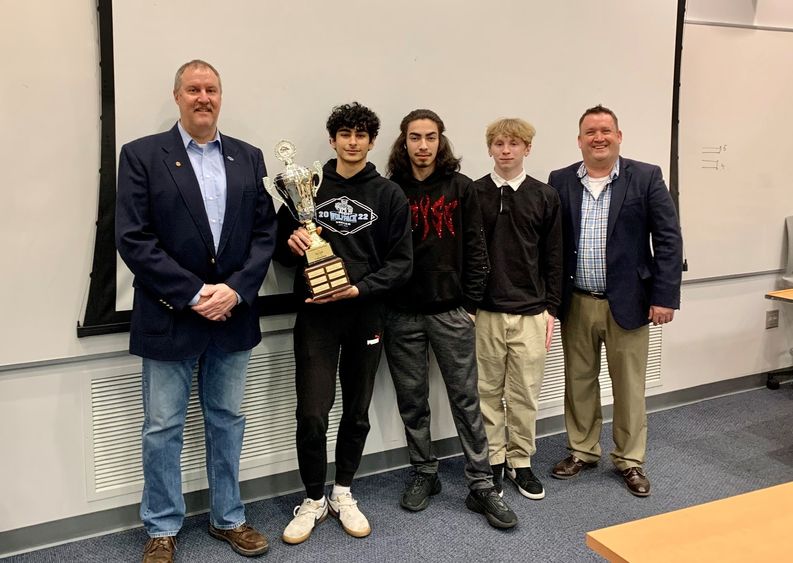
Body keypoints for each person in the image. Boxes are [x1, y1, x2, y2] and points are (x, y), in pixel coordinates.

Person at [115, 60, 276, 562]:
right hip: (168, 314)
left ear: (220, 96)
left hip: (233, 315)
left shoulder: (249, 158)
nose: (202, 97)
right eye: (193, 89)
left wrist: (234, 290)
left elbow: (264, 233)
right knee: (162, 428)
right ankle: (162, 527)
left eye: (211, 89)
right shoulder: (142, 156)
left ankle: (229, 518)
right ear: (177, 96)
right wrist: (195, 293)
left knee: (227, 419)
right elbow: (133, 237)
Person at [274, 102, 413, 545]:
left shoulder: (389, 194)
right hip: (316, 317)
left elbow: (401, 263)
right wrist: (292, 241)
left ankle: (343, 492)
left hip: (365, 314)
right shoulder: (304, 189)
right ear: (332, 139)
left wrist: (359, 289)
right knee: (313, 413)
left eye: (361, 135)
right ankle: (313, 498)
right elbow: (276, 252)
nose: (353, 142)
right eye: (345, 134)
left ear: (372, 142)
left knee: (356, 412)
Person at [383, 109, 518, 529]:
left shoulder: (461, 188)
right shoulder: (389, 190)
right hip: (401, 314)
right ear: (403, 143)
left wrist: (470, 305)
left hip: (451, 313)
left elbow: (478, 250)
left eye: (430, 137)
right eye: (414, 137)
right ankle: (425, 472)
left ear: (441, 141)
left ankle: (481, 485)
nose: (423, 145)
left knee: (466, 400)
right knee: (413, 402)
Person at [547, 105, 683, 497]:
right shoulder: (561, 180)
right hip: (577, 301)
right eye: (590, 132)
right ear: (579, 140)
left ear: (619, 136)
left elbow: (669, 240)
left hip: (630, 302)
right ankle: (583, 450)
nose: (598, 138)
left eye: (606, 130)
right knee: (579, 382)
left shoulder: (646, 176)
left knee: (628, 385)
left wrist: (664, 296)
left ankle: (629, 460)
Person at [474, 118, 562, 502]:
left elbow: (555, 257)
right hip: (485, 313)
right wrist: (470, 306)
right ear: (490, 148)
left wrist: (552, 310)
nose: (506, 150)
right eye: (499, 143)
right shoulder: (473, 193)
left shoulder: (545, 196)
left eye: (514, 143)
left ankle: (520, 460)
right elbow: (465, 255)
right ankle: (493, 460)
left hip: (531, 313)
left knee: (525, 393)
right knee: (487, 392)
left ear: (527, 148)